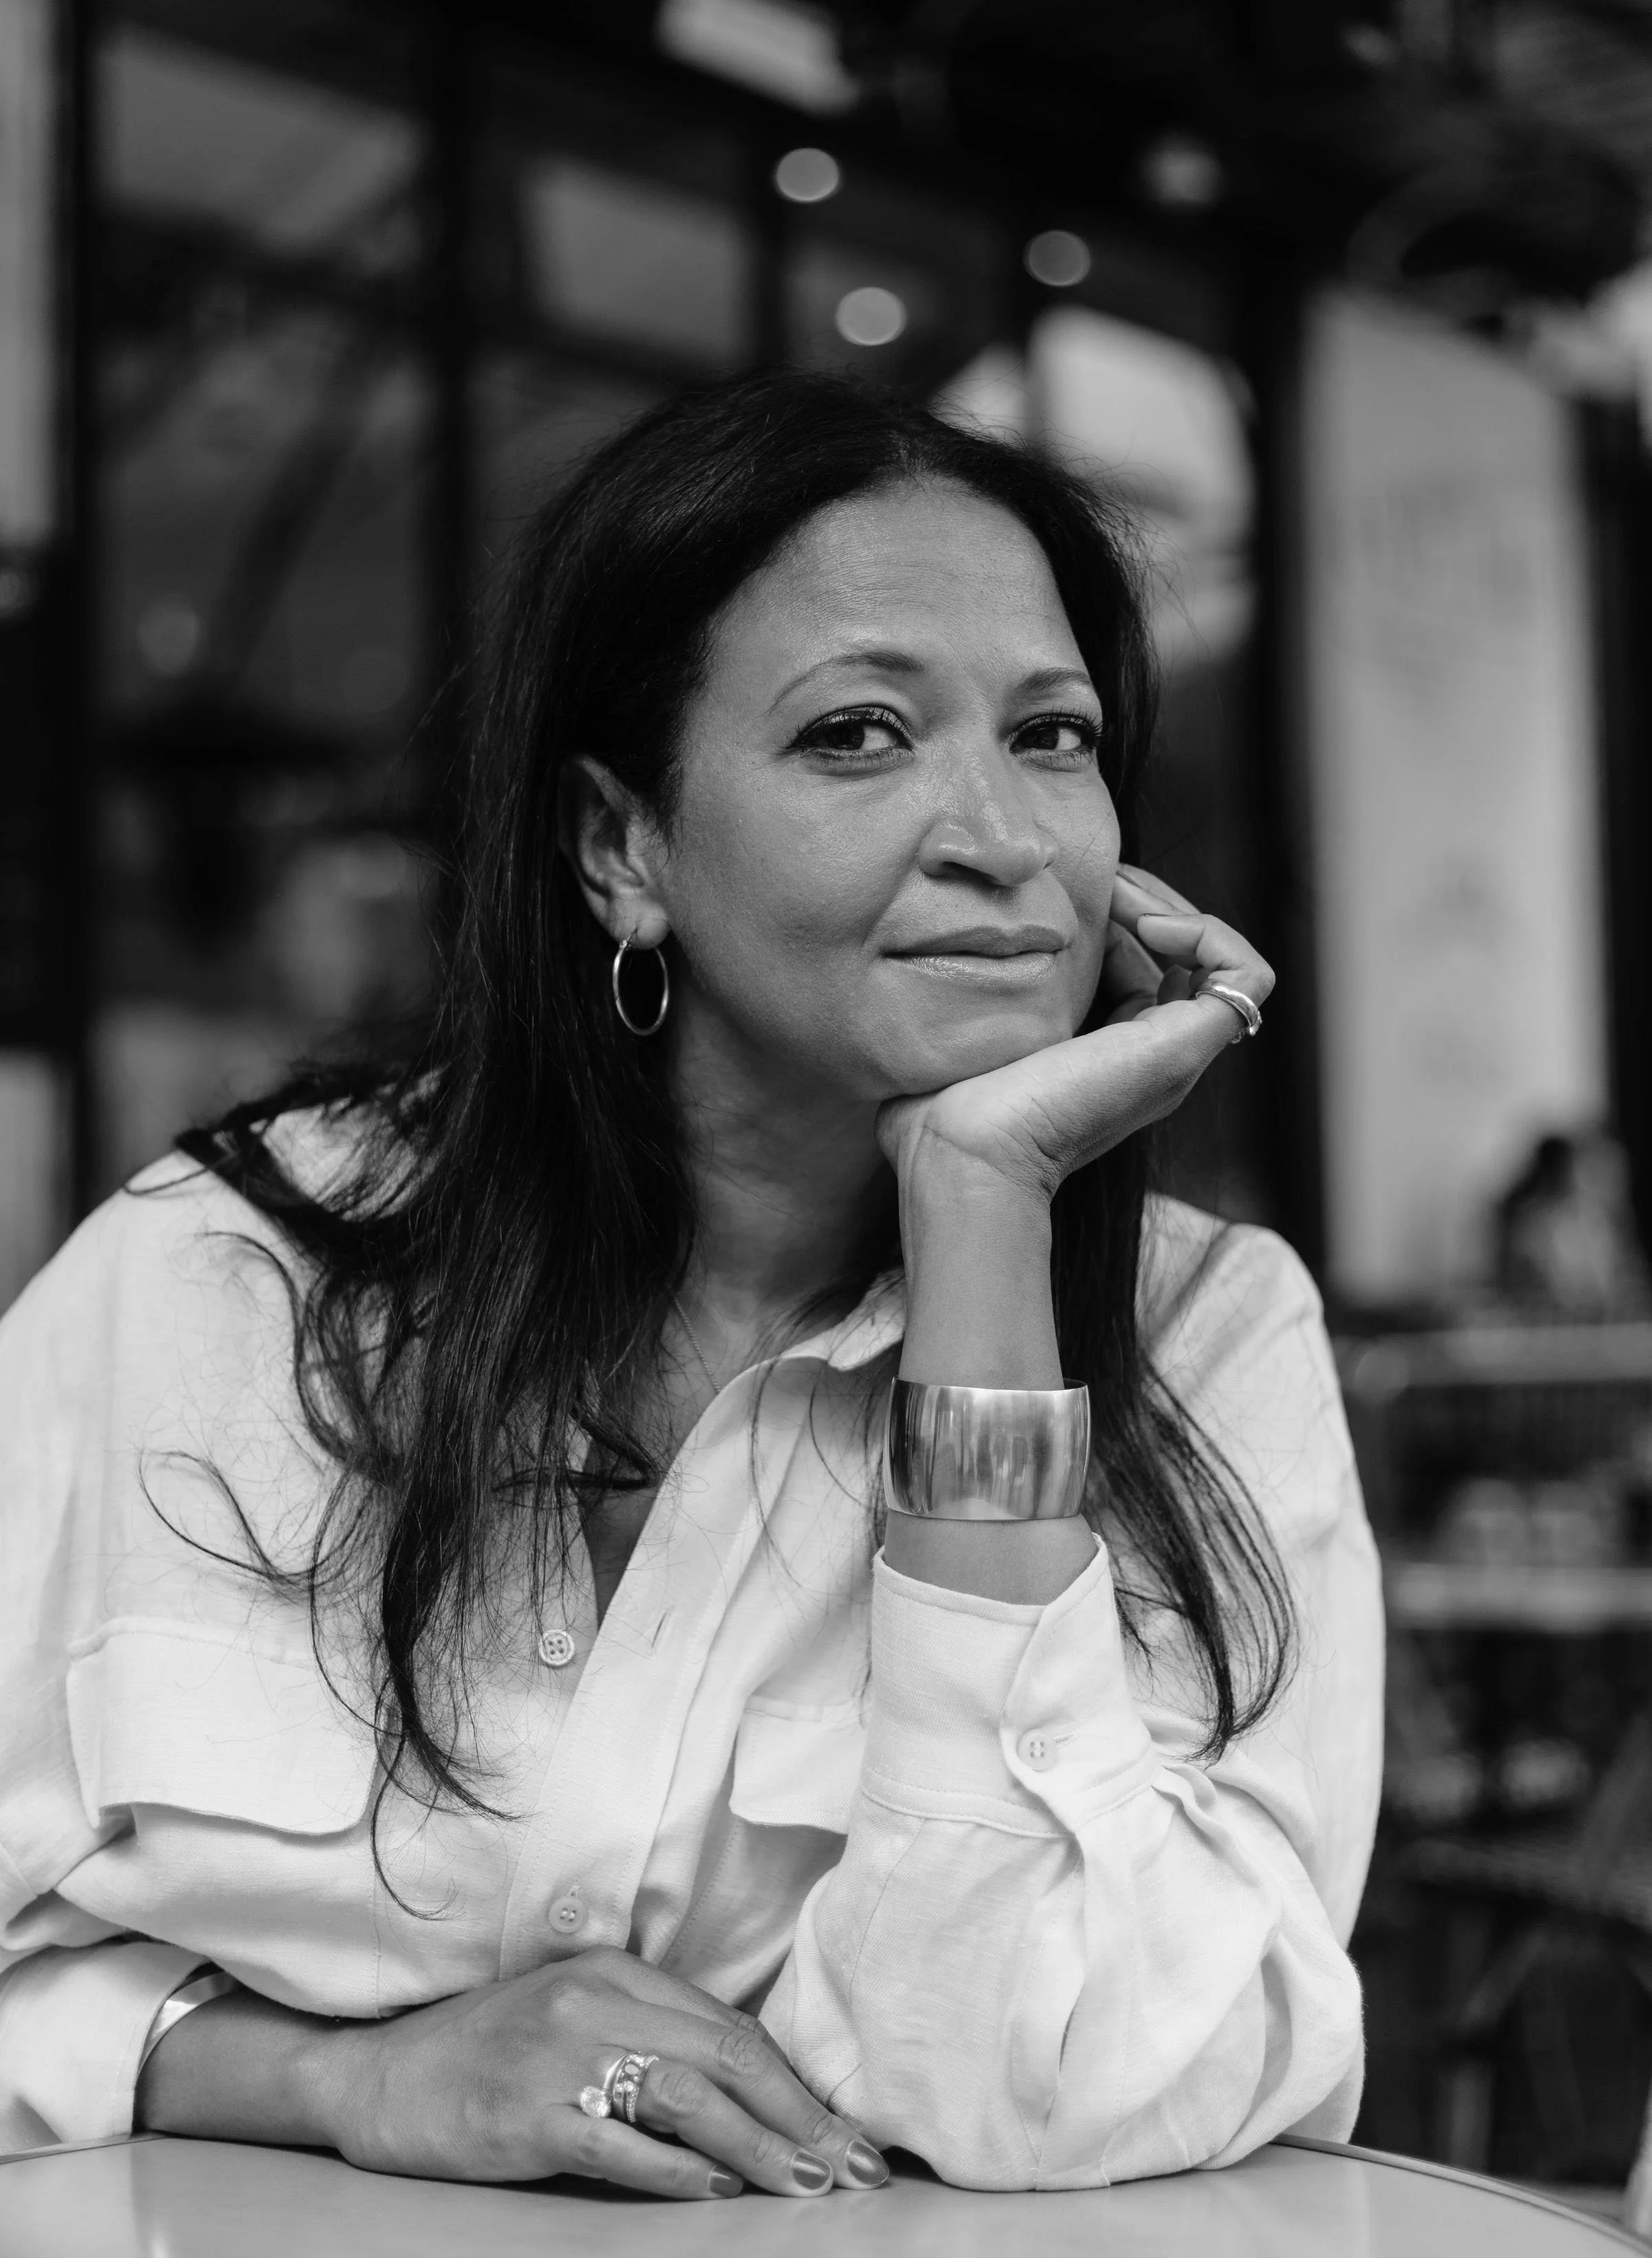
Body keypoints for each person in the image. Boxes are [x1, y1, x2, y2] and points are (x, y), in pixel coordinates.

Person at [0, 373, 1381, 2197]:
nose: (1003, 836)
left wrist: (984, 1219)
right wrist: (338, 2078)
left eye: (1053, 737)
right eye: (858, 735)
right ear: (620, 848)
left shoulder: (1210, 1336)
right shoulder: (219, 1277)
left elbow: (1055, 2092)